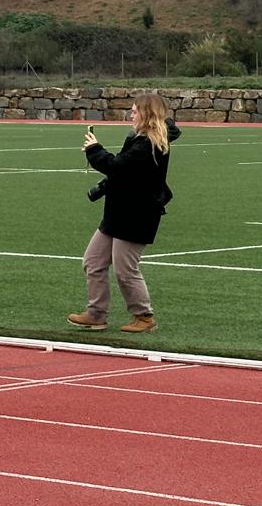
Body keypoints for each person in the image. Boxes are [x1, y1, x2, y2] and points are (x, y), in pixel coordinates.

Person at [67, 92, 179, 334]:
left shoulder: (149, 145)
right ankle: (96, 314)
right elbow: (122, 172)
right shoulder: (140, 139)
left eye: (135, 110)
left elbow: (117, 167)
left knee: (125, 269)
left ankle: (144, 316)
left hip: (137, 215)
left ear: (147, 114)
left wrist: (94, 149)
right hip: (119, 212)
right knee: (93, 262)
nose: (131, 114)